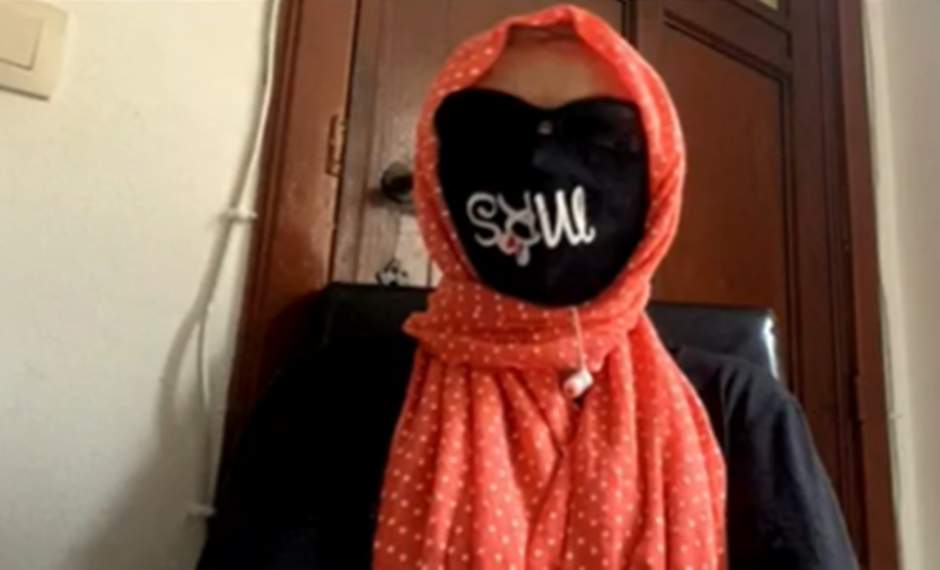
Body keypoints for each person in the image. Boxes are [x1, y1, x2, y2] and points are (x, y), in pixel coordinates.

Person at [199, 6, 856, 569]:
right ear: (437, 173)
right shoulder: (330, 400)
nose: (541, 163)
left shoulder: (741, 413)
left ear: (660, 178)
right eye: (491, 132)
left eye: (601, 136)